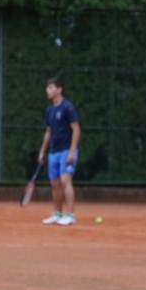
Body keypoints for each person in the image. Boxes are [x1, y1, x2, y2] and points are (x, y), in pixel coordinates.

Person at [36, 76, 81, 226]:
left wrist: (72, 152)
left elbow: (76, 129)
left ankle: (70, 215)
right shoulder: (49, 110)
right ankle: (57, 213)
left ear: (59, 89)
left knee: (65, 181)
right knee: (55, 183)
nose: (47, 90)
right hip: (53, 152)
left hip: (66, 151)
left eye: (50, 87)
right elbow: (48, 132)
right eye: (47, 87)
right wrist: (42, 151)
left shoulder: (68, 107)